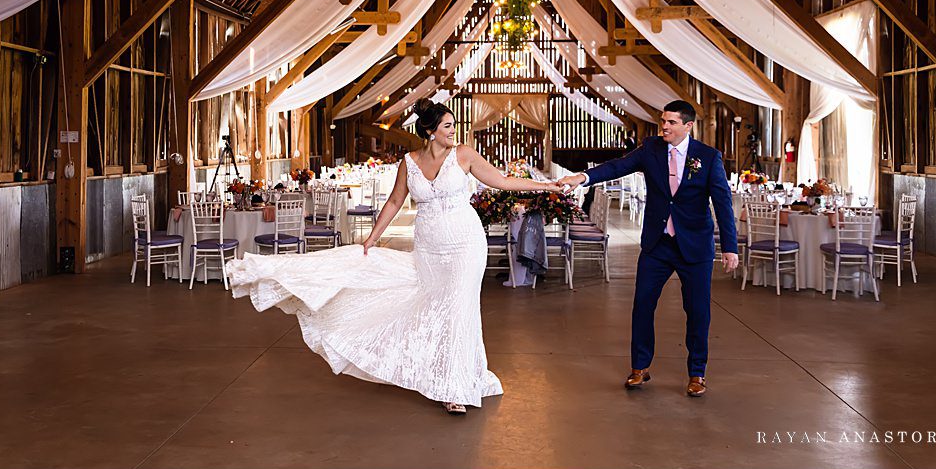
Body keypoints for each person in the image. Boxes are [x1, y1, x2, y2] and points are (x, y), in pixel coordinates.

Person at [226, 99, 562, 415]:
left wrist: (549, 186)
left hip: (465, 244)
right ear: (430, 131)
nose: (453, 131)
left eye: (454, 125)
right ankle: (442, 374)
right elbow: (393, 202)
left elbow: (503, 181)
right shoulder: (409, 163)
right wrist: (372, 238)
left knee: (459, 308)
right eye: (447, 126)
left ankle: (455, 388)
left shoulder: (464, 155)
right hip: (429, 247)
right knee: (435, 308)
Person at [558, 100, 738, 397]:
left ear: (688, 126)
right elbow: (618, 166)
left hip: (694, 246)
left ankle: (697, 373)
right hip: (657, 244)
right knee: (642, 304)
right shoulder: (651, 149)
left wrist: (729, 246)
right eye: (663, 121)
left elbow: (722, 204)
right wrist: (583, 178)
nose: (664, 126)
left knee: (697, 312)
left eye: (671, 122)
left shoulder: (708, 157)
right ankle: (639, 367)